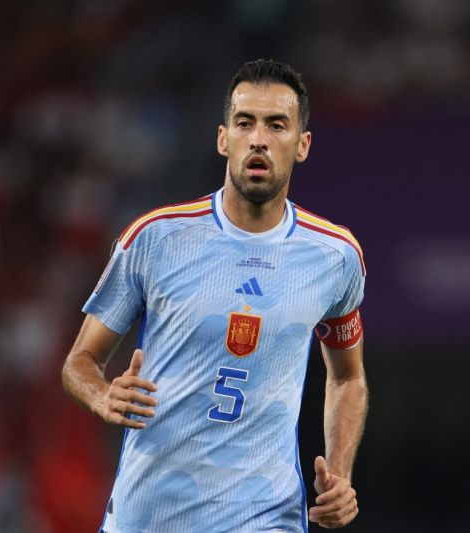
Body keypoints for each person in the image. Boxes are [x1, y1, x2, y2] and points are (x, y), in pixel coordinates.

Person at [62, 59, 368, 532]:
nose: (259, 139)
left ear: (302, 144)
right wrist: (102, 396)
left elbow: (347, 377)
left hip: (266, 516)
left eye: (277, 125)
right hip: (150, 515)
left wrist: (341, 475)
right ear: (224, 139)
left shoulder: (335, 257)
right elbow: (79, 361)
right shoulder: (155, 238)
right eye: (245, 123)